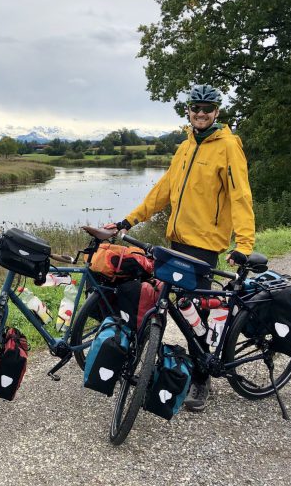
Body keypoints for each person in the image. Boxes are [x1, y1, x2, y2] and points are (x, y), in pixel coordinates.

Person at [109, 84, 256, 412]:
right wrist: (128, 221)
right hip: (177, 240)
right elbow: (162, 191)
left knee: (198, 314)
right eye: (196, 108)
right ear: (188, 111)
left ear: (217, 111)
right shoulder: (186, 146)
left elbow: (240, 196)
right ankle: (147, 363)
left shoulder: (229, 146)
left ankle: (202, 380)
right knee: (168, 303)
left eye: (207, 108)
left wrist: (244, 244)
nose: (201, 113)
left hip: (204, 245)